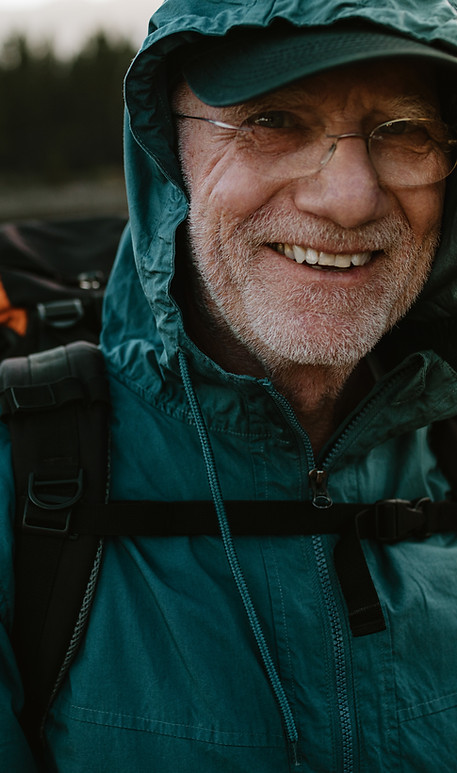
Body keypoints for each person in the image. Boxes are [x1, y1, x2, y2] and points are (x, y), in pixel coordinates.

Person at [2, 0, 457, 769]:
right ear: (165, 154)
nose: (347, 197)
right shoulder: (21, 483)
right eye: (274, 119)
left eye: (406, 130)